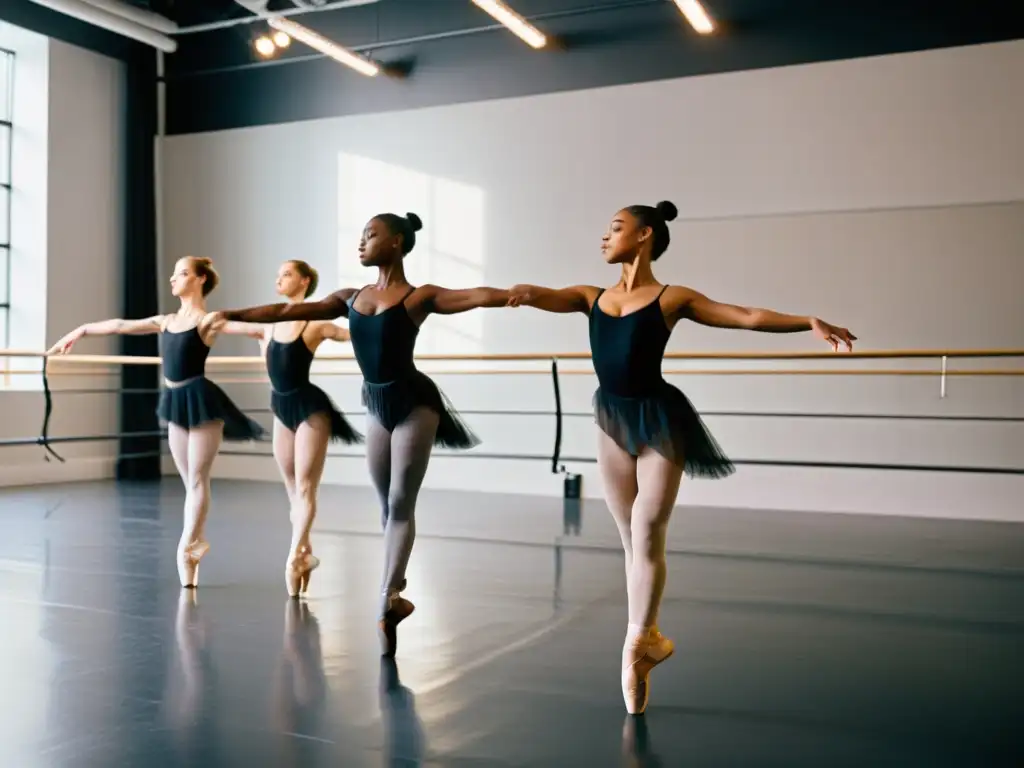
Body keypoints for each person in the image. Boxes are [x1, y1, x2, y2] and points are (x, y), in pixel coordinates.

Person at [507, 200, 856, 715]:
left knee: (648, 530)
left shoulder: (673, 298)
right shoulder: (591, 296)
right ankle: (647, 640)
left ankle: (633, 643)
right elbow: (541, 295)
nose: (605, 237)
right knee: (630, 539)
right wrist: (515, 294)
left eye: (616, 228)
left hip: (661, 421)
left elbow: (746, 316)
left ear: (645, 235)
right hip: (611, 421)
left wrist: (808, 321)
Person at [215, 212, 510, 656]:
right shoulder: (348, 298)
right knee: (384, 506)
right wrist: (229, 314)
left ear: (395, 242)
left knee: (399, 501)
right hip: (376, 405)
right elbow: (283, 311)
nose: (361, 242)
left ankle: (387, 596)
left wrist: (515, 295)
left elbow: (473, 295)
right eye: (360, 236)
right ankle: (395, 589)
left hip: (415, 403)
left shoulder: (417, 296)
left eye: (371, 235)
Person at [47, 256, 266, 589]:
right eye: (173, 274)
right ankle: (194, 546)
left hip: (201, 398)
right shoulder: (165, 321)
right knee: (188, 481)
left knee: (197, 478)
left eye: (181, 274)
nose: (172, 279)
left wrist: (267, 348)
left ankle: (188, 545)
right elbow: (121, 324)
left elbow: (255, 329)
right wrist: (80, 331)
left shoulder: (208, 321)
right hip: (175, 399)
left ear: (200, 279)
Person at [250, 259, 362, 598]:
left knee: (305, 487)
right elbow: (227, 324)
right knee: (291, 490)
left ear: (304, 282)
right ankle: (304, 554)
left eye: (286, 274)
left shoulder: (314, 322)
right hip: (280, 408)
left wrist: (379, 320)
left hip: (310, 408)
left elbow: (352, 334)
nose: (278, 279)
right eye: (278, 273)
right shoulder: (267, 324)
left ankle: (292, 558)